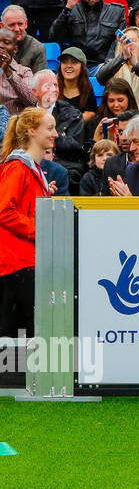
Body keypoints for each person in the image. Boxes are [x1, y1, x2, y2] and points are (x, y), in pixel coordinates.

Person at [0, 107, 57, 338]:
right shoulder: (17, 167)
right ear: (32, 131)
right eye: (50, 128)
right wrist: (40, 228)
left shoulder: (30, 168)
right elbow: (4, 210)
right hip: (16, 264)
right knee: (17, 337)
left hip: (24, 263)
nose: (56, 134)